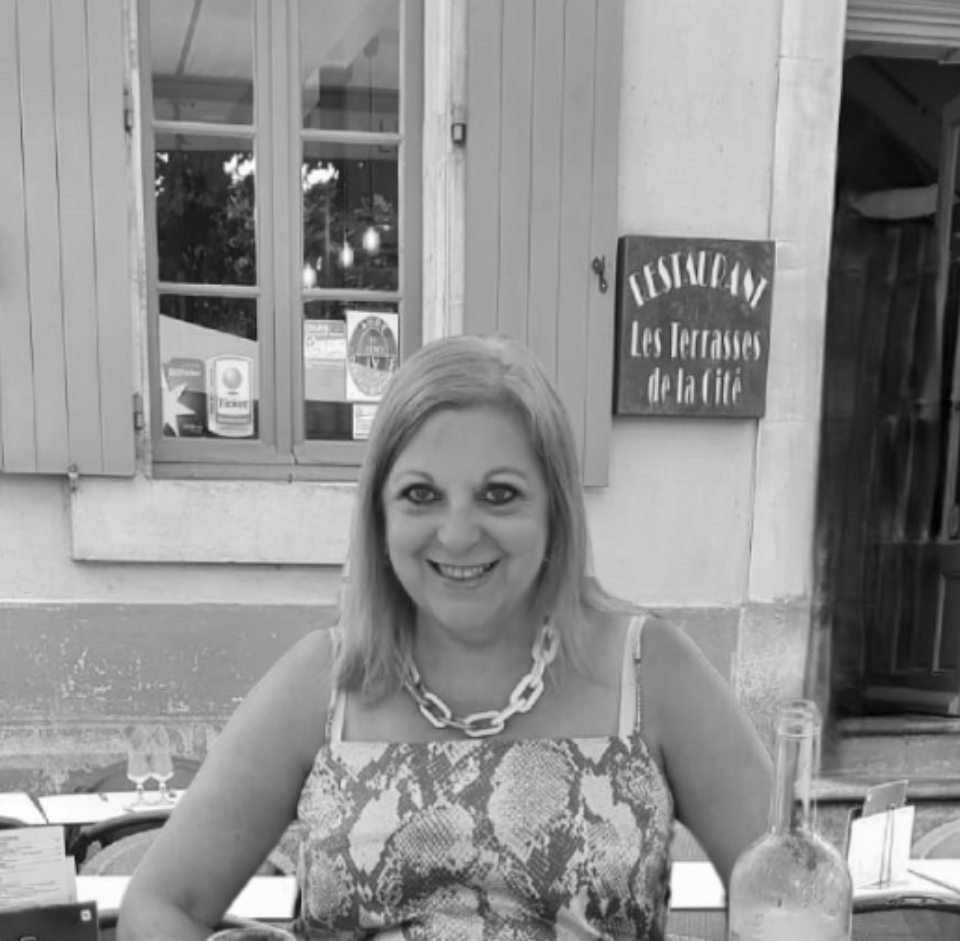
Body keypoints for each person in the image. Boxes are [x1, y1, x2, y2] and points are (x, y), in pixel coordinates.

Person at [119, 334, 772, 941]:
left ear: (555, 511)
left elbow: (796, 900)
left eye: (499, 494)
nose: (458, 534)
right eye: (421, 494)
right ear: (380, 515)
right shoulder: (323, 682)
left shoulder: (652, 671)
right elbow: (159, 907)